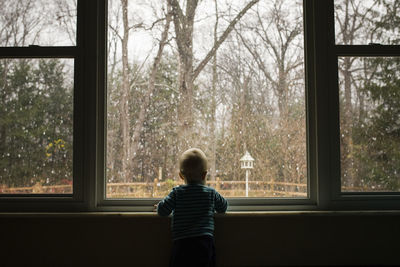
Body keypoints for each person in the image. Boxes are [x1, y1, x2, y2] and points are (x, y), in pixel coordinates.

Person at [156, 148, 228, 267]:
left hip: (182, 244)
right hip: (204, 243)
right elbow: (223, 207)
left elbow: (162, 211)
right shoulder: (210, 193)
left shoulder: (177, 193)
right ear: (205, 174)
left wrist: (159, 205)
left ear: (181, 176)